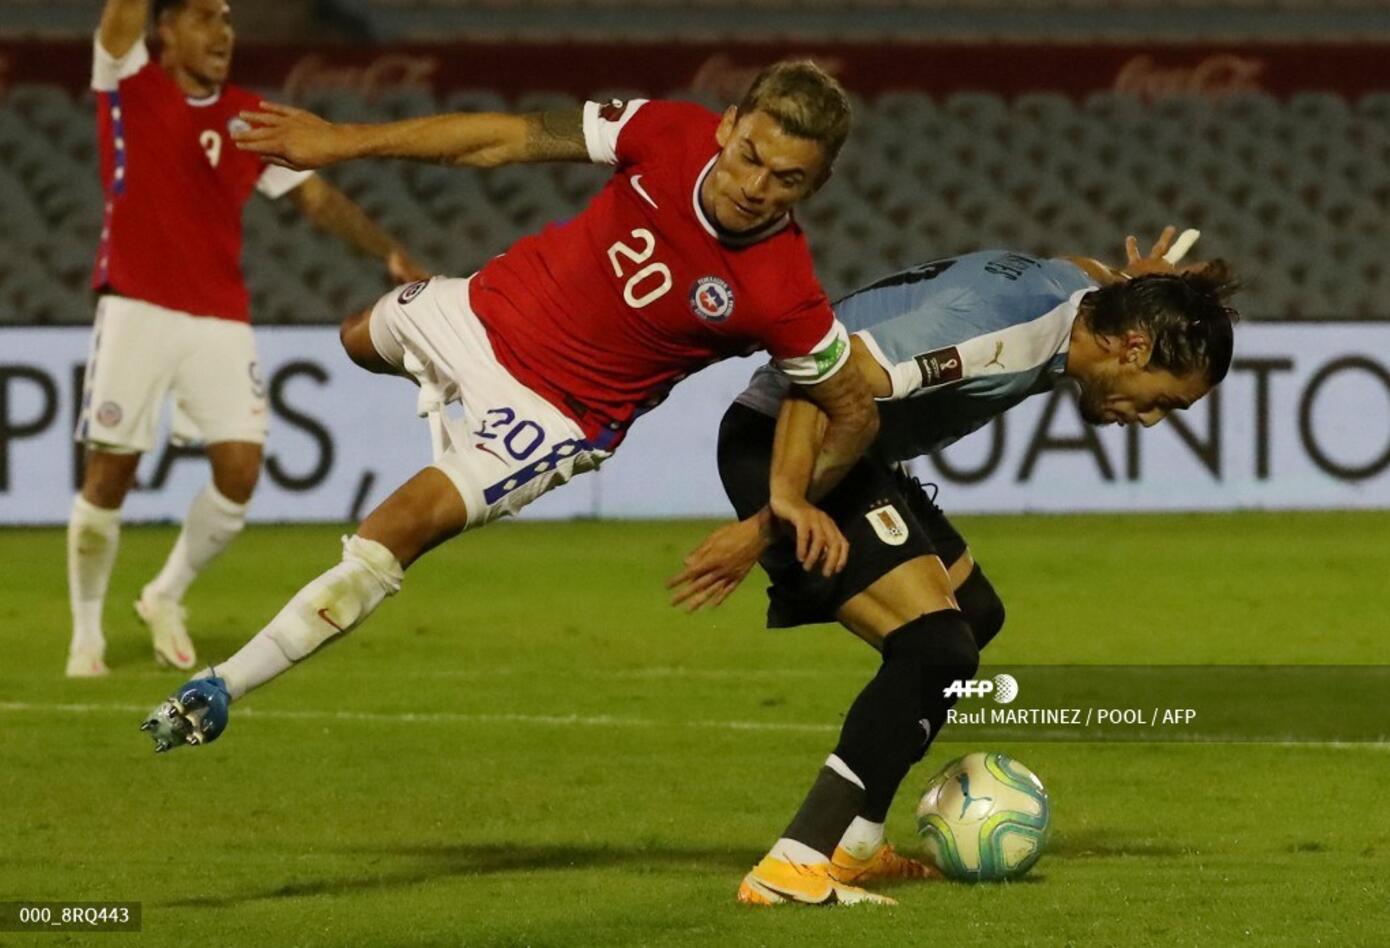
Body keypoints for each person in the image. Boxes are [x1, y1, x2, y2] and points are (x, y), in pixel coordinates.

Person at [139, 61, 881, 751]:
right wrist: (340, 142)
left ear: (812, 187)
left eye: (787, 179)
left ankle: (221, 686)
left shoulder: (786, 295)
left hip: (552, 415)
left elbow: (854, 413)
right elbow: (506, 139)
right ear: (726, 125)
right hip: (478, 312)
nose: (757, 186)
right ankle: (431, 380)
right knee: (356, 338)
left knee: (396, 530)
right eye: (751, 155)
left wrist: (768, 523)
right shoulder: (665, 130)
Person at [668, 230, 1240, 905]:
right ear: (1134, 347)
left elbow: (1098, 276)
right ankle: (793, 865)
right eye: (1161, 400)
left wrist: (1147, 287)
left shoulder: (1093, 299)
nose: (1147, 420)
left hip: (860, 450)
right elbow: (822, 368)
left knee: (975, 615)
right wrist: (773, 516)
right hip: (788, 439)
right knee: (934, 647)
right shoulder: (1007, 333)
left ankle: (855, 846)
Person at [68, 0, 426, 678]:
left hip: (221, 317)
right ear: (165, 31)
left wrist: (388, 253)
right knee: (109, 473)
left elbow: (315, 198)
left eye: (229, 22)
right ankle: (85, 636)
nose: (222, 34)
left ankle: (163, 594)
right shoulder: (127, 79)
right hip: (135, 306)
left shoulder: (247, 119)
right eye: (205, 18)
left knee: (240, 473)